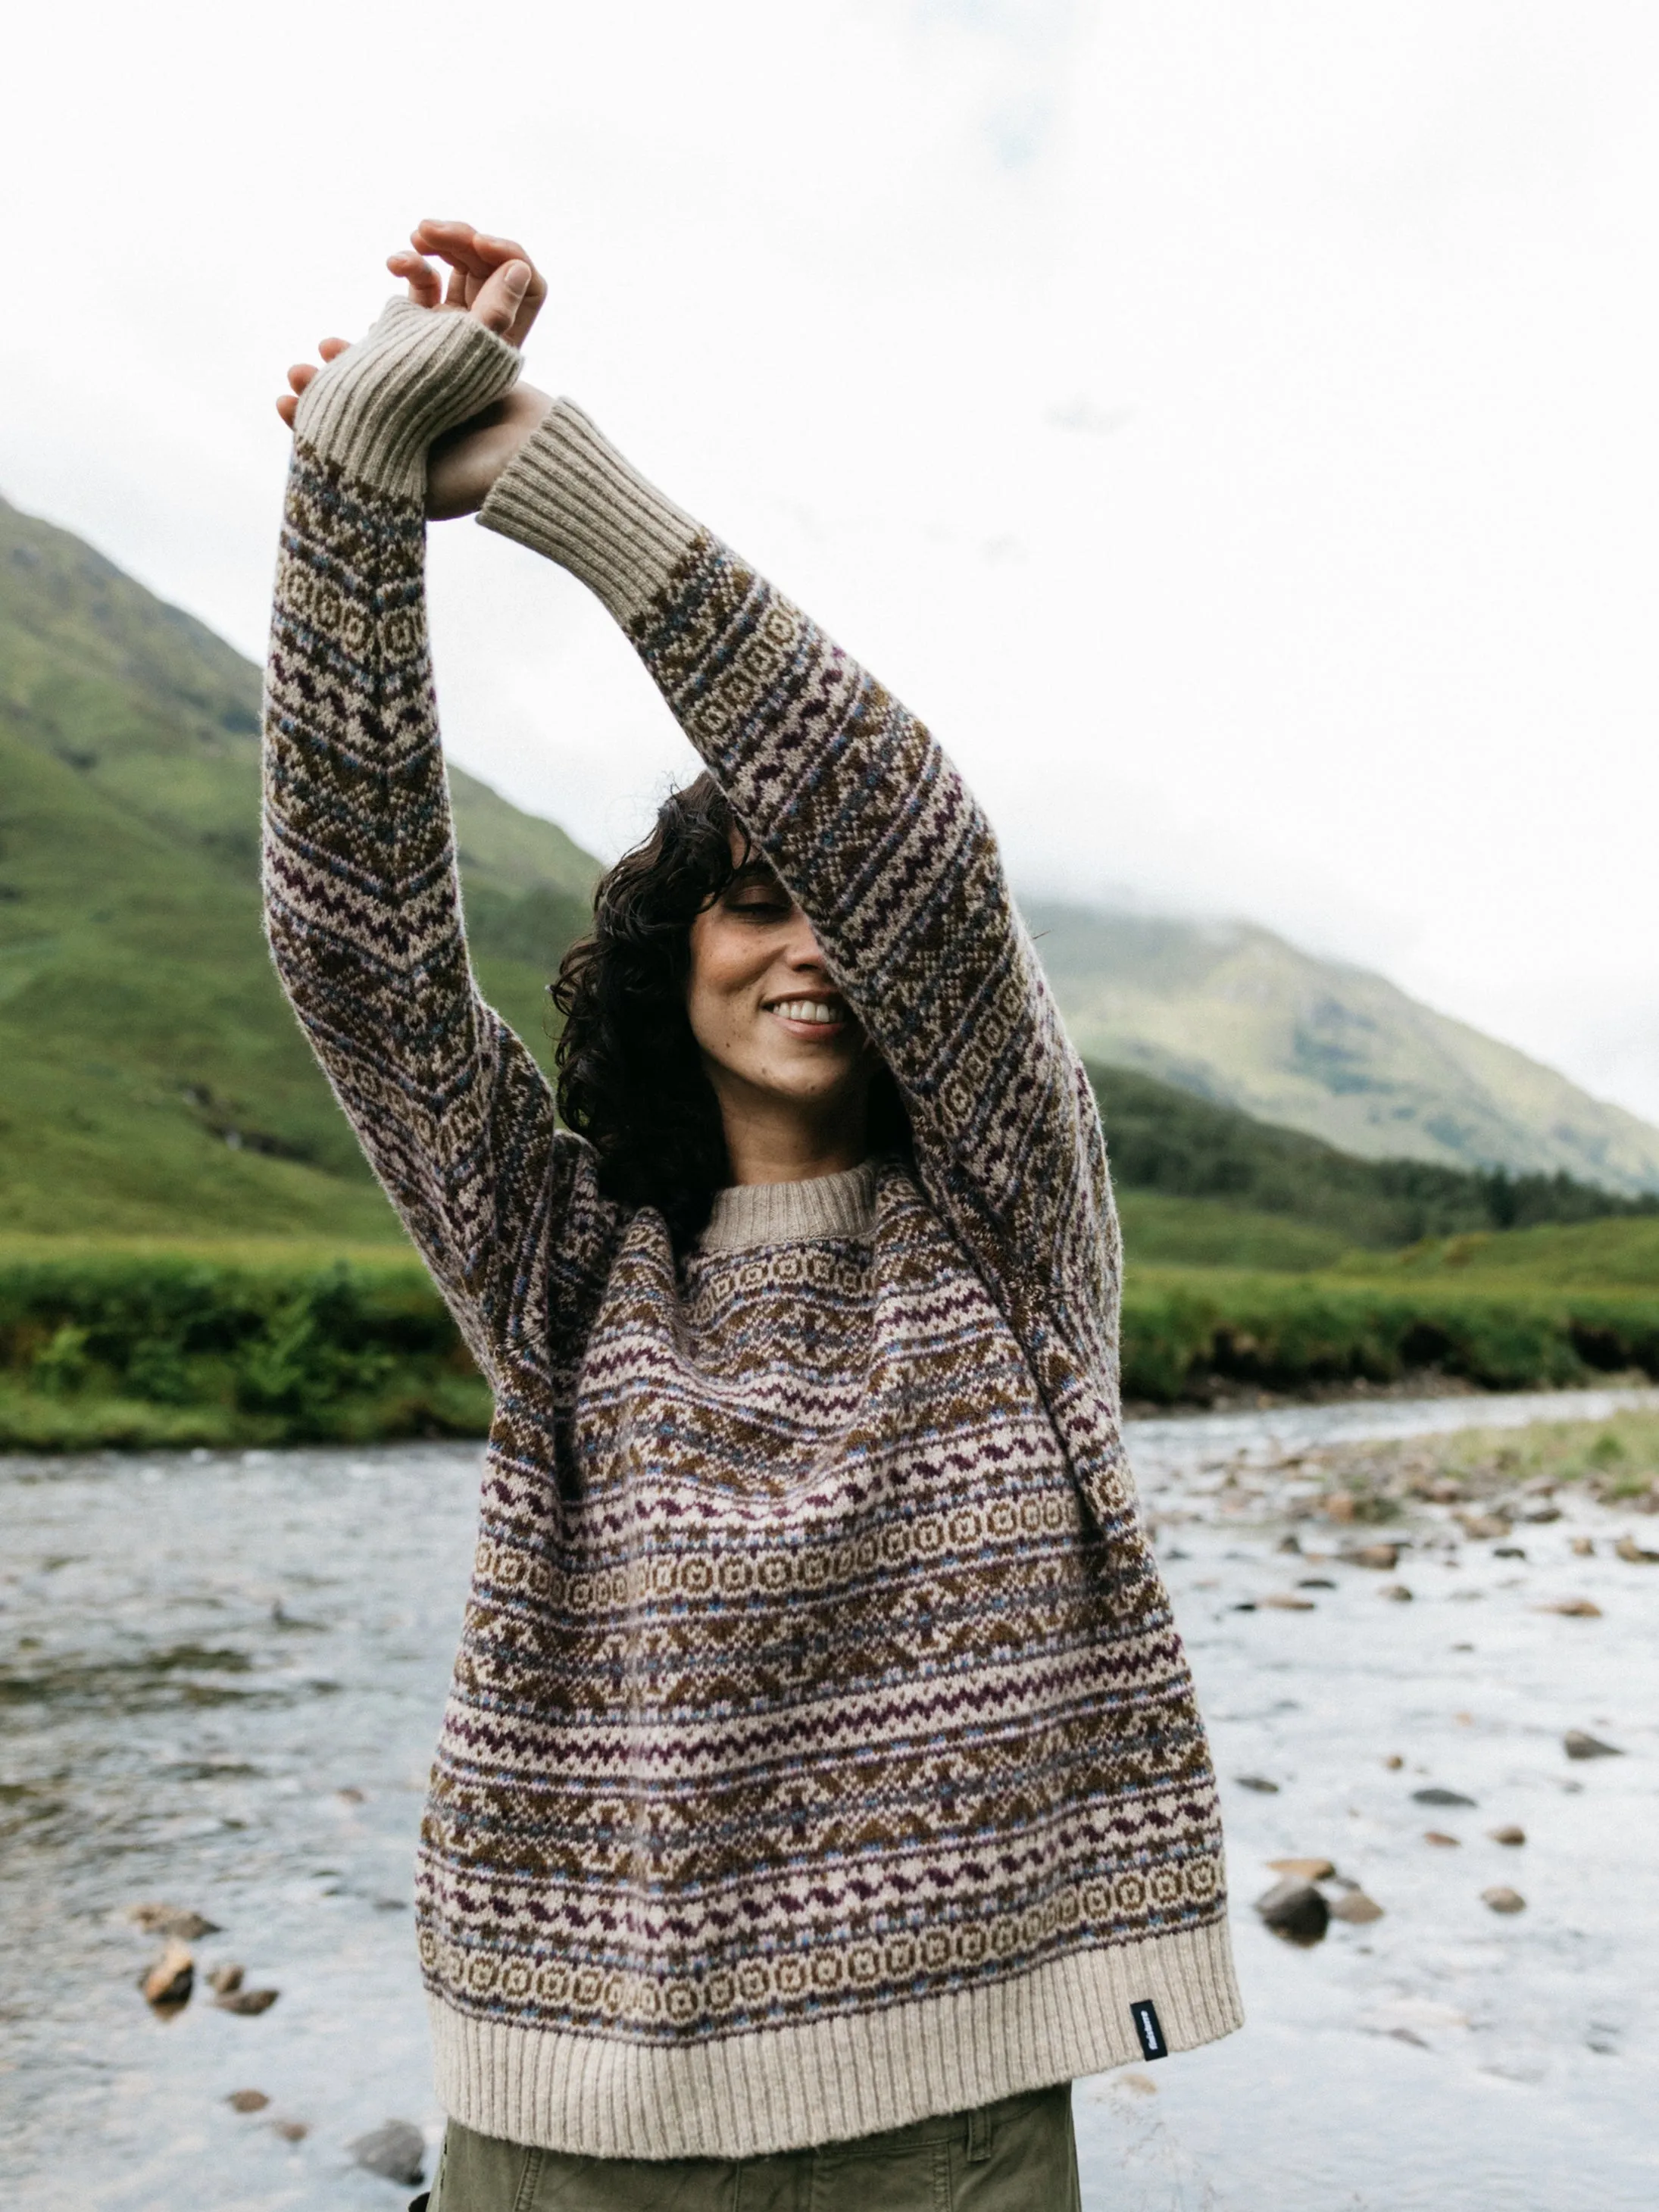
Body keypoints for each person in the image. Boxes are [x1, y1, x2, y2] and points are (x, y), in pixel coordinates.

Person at [267, 219, 1241, 2212]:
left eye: (830, 905)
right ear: (669, 953)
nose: (807, 946)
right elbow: (358, 958)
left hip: (940, 2121)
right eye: (746, 899)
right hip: (569, 2125)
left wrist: (563, 484)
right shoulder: (564, 1275)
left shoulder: (1011, 1238)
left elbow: (921, 850)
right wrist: (353, 481)